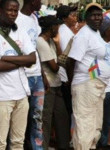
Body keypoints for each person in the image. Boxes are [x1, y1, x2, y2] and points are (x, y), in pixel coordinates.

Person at [0, 0, 36, 150]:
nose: (13, 13)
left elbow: (32, 58)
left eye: (15, 10)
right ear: (0, 11)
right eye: (9, 10)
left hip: (22, 94)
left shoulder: (21, 32)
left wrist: (6, 58)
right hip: (2, 96)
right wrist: (21, 61)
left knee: (18, 142)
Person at [66, 3, 110, 150]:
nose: (97, 18)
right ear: (86, 17)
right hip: (85, 85)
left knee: (95, 126)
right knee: (85, 126)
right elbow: (71, 61)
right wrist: (72, 83)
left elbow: (93, 60)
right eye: (93, 15)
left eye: (99, 15)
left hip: (95, 84)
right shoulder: (84, 35)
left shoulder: (95, 32)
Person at [15, 0, 48, 149]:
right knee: (20, 117)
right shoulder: (16, 19)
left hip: (36, 76)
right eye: (40, 0)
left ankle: (37, 147)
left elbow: (35, 49)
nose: (41, 3)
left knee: (37, 116)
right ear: (33, 1)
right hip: (22, 76)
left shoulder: (34, 18)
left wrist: (42, 74)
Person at [36, 15, 70, 150]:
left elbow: (60, 59)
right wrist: (60, 59)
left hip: (56, 85)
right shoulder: (40, 42)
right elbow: (55, 67)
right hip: (48, 87)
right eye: (57, 26)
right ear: (52, 27)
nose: (59, 28)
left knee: (62, 118)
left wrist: (56, 43)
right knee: (46, 120)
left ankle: (64, 146)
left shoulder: (50, 41)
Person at [56, 5, 78, 133]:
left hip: (67, 75)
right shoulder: (64, 32)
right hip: (66, 76)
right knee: (69, 108)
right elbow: (67, 59)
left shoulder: (66, 30)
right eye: (72, 15)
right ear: (64, 18)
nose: (75, 17)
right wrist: (70, 78)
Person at [97, 19, 110, 149]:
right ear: (107, 31)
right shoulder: (98, 45)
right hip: (100, 88)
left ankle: (103, 143)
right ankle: (96, 143)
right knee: (97, 119)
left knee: (107, 120)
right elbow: (92, 67)